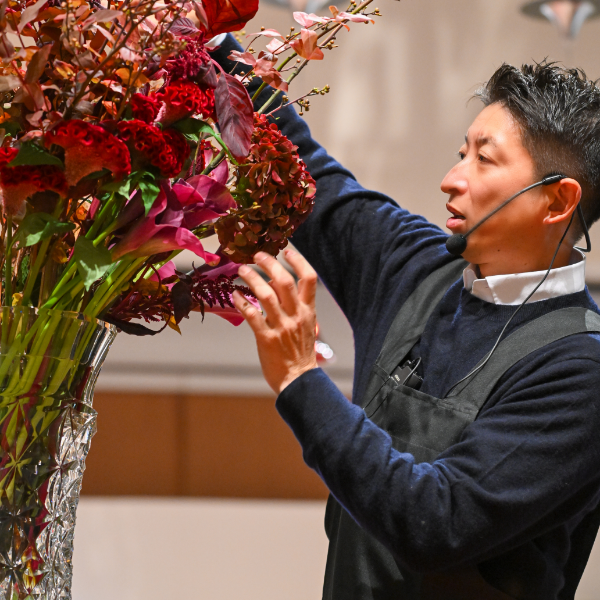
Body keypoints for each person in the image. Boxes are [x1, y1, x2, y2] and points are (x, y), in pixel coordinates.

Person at [213, 35, 600, 600]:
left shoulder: (581, 372)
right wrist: (212, 41)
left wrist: (299, 378)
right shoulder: (415, 268)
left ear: (558, 202)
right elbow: (303, 170)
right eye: (461, 152)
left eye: (484, 159)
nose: (452, 178)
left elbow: (438, 523)